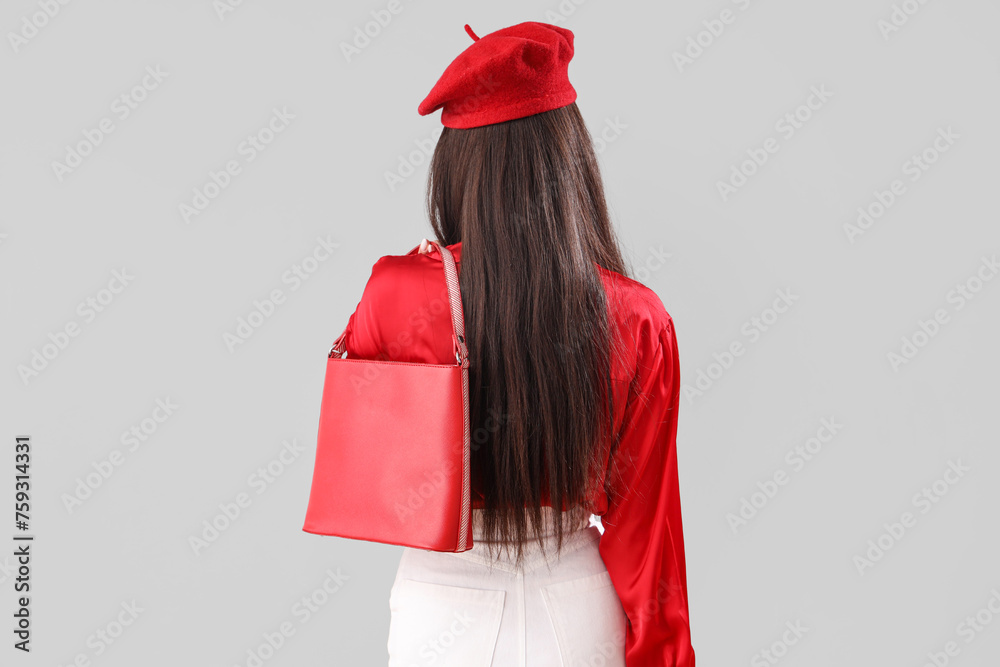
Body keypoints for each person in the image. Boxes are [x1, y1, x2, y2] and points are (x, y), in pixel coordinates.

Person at [339, 21, 695, 667]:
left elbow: (362, 441)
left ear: (455, 166)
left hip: (440, 608)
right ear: (571, 165)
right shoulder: (637, 316)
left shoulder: (397, 291)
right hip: (577, 606)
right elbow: (648, 531)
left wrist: (417, 287)